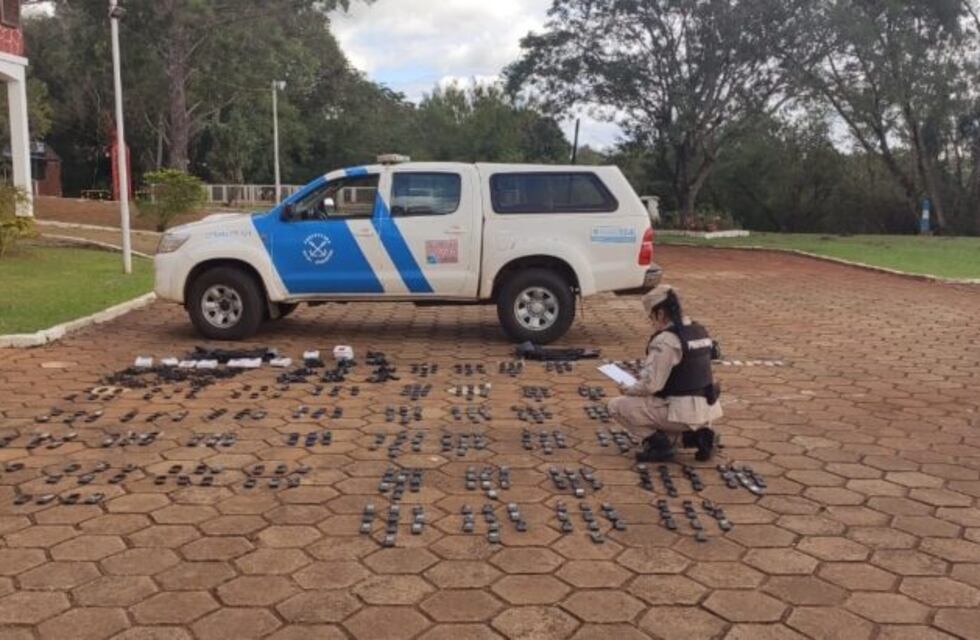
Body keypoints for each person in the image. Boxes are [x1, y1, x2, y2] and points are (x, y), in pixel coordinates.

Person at [607, 284, 722, 462]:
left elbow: (652, 385)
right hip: (708, 409)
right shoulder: (699, 330)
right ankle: (696, 437)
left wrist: (628, 388)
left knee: (617, 406)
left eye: (651, 317)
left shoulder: (666, 340)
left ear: (660, 313)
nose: (651, 323)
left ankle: (660, 446)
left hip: (682, 413)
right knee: (660, 412)